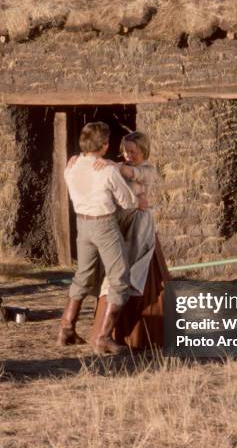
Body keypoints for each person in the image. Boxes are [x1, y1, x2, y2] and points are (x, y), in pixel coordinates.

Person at [57, 122, 141, 354]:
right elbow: (128, 202)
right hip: (104, 225)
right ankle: (103, 337)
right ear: (104, 145)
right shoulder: (107, 170)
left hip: (82, 225)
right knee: (119, 278)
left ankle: (66, 327)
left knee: (82, 275)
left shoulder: (71, 166)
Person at [91, 131, 169, 350]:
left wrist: (111, 165)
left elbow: (132, 173)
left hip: (139, 232)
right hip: (120, 226)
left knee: (135, 276)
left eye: (133, 151)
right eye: (126, 151)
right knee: (113, 276)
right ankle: (106, 334)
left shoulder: (147, 170)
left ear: (143, 151)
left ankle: (140, 335)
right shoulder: (115, 168)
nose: (128, 155)